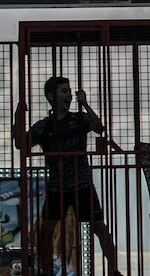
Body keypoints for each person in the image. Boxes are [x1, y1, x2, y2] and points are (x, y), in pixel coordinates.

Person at [14, 77, 123, 276]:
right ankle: (46, 272)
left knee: (99, 227)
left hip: (82, 184)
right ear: (50, 96)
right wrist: (18, 116)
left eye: (69, 91)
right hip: (57, 187)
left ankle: (114, 270)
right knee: (46, 232)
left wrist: (85, 104)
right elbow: (21, 144)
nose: (69, 95)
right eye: (64, 91)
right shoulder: (44, 126)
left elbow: (99, 128)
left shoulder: (78, 119)